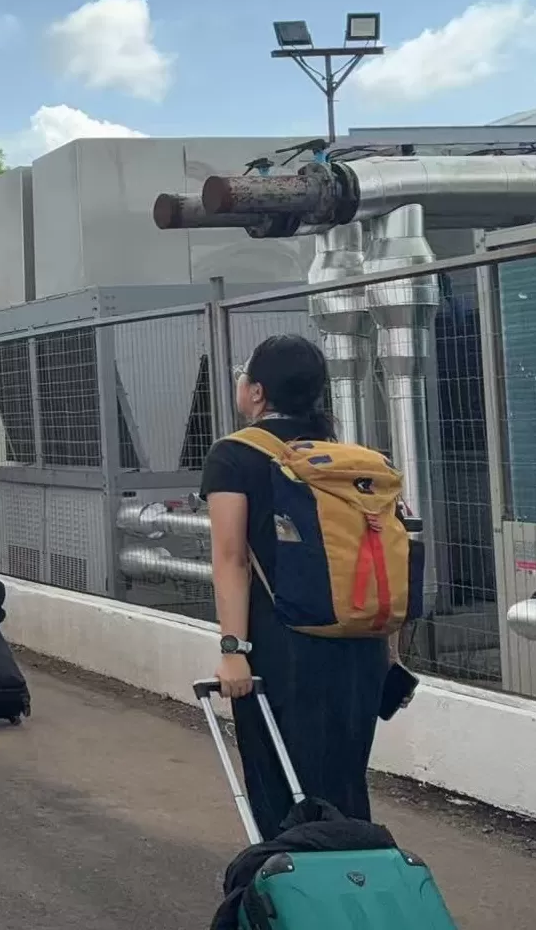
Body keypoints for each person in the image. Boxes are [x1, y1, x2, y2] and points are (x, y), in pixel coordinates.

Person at [205, 335, 393, 840]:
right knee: (344, 786)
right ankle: (357, 900)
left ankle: (292, 900)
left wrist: (233, 649)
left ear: (258, 392)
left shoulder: (234, 455)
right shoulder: (352, 459)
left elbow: (230, 559)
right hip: (361, 648)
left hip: (281, 648)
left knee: (279, 790)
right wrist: (389, 649)